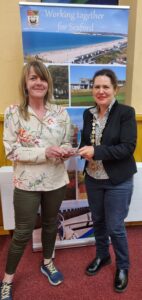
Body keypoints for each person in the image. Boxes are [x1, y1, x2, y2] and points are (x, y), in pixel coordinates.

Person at [0, 60, 75, 300]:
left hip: (56, 180)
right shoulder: (13, 113)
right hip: (27, 183)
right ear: (25, 83)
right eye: (33, 78)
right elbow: (11, 151)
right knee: (22, 232)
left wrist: (64, 150)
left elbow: (67, 142)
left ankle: (47, 262)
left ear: (48, 84)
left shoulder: (60, 112)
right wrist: (44, 152)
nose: (38, 82)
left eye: (42, 78)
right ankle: (7, 280)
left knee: (51, 223)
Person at [78, 68, 137, 293]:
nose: (100, 91)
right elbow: (86, 142)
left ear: (115, 89)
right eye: (96, 87)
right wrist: (77, 149)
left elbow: (127, 148)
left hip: (117, 181)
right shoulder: (88, 114)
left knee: (115, 227)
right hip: (93, 178)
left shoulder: (126, 112)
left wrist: (96, 151)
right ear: (92, 89)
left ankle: (123, 266)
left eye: (106, 87)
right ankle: (103, 256)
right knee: (99, 222)